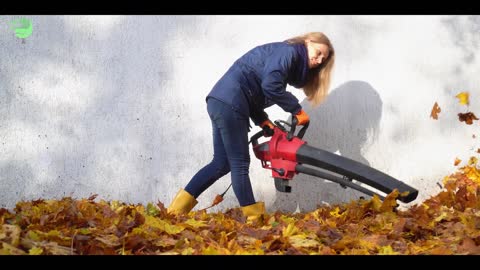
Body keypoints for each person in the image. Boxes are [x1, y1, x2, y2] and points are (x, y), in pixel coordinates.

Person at [167, 32, 335, 221]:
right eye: (318, 52)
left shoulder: (283, 54)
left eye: (323, 59)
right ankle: (255, 220)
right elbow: (270, 86)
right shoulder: (289, 52)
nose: (319, 60)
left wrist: (262, 119)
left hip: (220, 100)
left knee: (221, 163)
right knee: (240, 163)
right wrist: (296, 110)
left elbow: (252, 88)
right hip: (231, 102)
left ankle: (175, 211)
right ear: (308, 41)